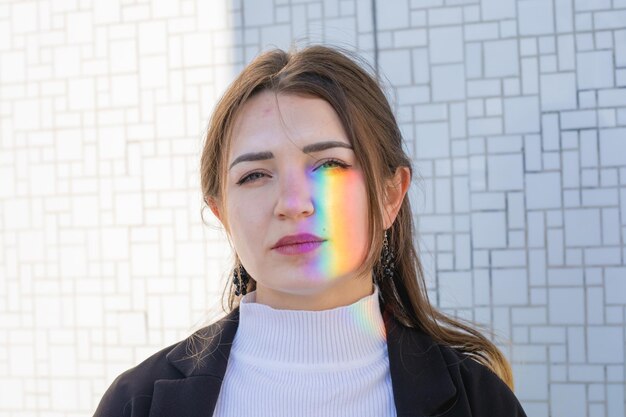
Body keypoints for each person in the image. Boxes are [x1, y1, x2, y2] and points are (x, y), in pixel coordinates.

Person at [94, 44, 528, 417]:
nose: (293, 203)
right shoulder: (139, 403)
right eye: (255, 175)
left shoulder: (478, 401)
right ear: (221, 213)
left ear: (391, 194)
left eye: (329, 165)